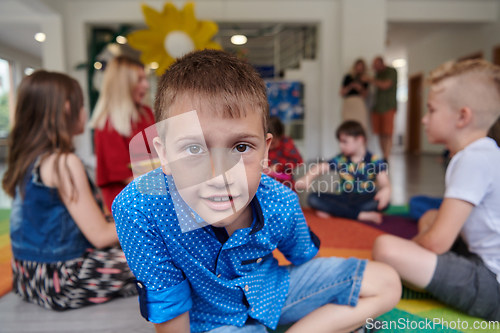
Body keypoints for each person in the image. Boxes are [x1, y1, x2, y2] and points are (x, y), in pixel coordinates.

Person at [113, 50, 401, 333]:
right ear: (164, 155)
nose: (219, 176)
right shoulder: (139, 209)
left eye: (241, 147)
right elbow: (169, 307)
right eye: (194, 148)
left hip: (273, 294)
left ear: (265, 153)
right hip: (212, 322)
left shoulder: (281, 200)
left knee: (387, 282)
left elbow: (306, 261)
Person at [372, 59, 500, 321]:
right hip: (481, 258)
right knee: (429, 216)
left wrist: (411, 249)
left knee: (386, 247)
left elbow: (436, 242)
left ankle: (418, 280)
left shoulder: (472, 159)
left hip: (492, 285)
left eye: (431, 110)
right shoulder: (485, 152)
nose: (424, 118)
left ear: (462, 117)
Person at [3, 71, 136, 310]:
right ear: (67, 109)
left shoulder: (28, 160)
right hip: (62, 279)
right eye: (82, 104)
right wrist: (149, 218)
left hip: (27, 276)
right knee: (161, 258)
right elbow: (101, 236)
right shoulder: (63, 162)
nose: (85, 112)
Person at [89, 55, 155, 212]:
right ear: (123, 85)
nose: (146, 85)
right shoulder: (107, 124)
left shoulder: (146, 113)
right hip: (130, 205)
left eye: (145, 79)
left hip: (152, 196)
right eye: (139, 80)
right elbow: (124, 175)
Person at [296, 121, 391, 224]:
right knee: (313, 198)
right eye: (340, 142)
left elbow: (384, 182)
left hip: (364, 198)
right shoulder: (341, 158)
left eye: (344, 142)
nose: (341, 146)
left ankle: (336, 211)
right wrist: (307, 178)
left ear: (359, 139)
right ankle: (360, 215)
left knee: (383, 203)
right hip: (343, 197)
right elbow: (321, 167)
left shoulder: (374, 160)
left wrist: (386, 189)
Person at [370, 56, 398, 159]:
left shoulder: (391, 71)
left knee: (388, 132)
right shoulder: (377, 74)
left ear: (382, 63)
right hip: (377, 107)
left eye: (376, 65)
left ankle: (387, 156)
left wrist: (370, 79)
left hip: (388, 106)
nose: (375, 68)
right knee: (380, 133)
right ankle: (384, 156)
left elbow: (385, 85)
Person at [265, 116, 303, 188]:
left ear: (281, 136)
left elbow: (299, 161)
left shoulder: (286, 143)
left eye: (273, 143)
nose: (270, 146)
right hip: (267, 184)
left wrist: (278, 167)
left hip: (285, 185)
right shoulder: (262, 146)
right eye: (266, 143)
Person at [340, 59, 370, 131]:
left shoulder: (365, 79)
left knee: (361, 125)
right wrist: (351, 86)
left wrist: (359, 88)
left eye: (361, 66)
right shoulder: (348, 77)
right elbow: (341, 93)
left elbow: (365, 96)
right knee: (347, 126)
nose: (359, 68)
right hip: (349, 103)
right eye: (358, 66)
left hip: (359, 103)